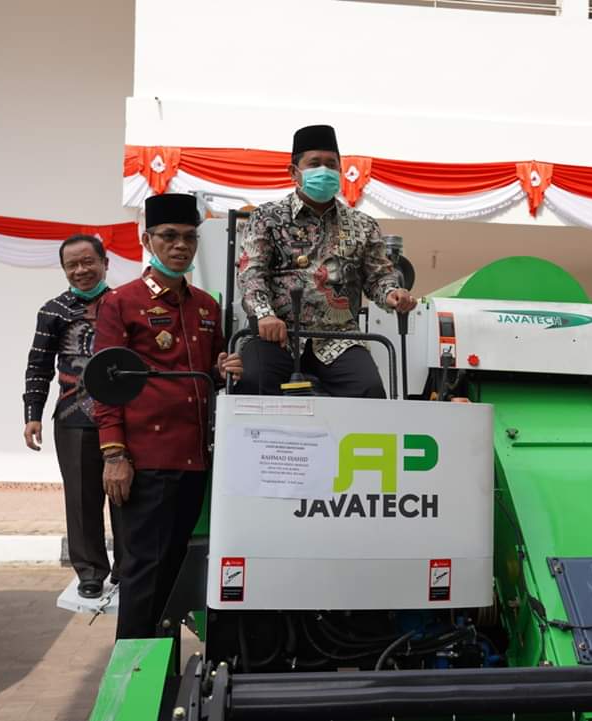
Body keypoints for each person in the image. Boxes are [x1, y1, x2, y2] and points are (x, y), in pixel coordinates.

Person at [93, 193, 243, 639]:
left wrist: (223, 368)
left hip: (195, 461)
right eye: (169, 237)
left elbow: (211, 373)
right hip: (146, 461)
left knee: (175, 569)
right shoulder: (121, 302)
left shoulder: (205, 306)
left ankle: (161, 667)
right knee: (143, 570)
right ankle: (132, 670)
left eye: (190, 238)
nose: (181, 246)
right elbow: (104, 385)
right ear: (147, 239)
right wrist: (114, 454)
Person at [237, 124, 417, 397]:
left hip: (339, 338)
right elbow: (252, 273)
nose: (324, 170)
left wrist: (392, 293)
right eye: (315, 163)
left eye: (331, 164)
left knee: (370, 390)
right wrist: (264, 315)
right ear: (293, 172)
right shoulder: (266, 217)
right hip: (277, 335)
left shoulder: (363, 225)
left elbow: (379, 276)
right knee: (252, 383)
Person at [23, 234, 123, 599]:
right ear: (64, 269)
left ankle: (128, 567)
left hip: (124, 418)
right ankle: (91, 571)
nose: (81, 270)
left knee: (126, 494)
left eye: (88, 262)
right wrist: (32, 413)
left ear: (105, 262)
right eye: (72, 265)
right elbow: (38, 365)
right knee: (82, 499)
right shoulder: (53, 311)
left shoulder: (123, 304)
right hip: (72, 417)